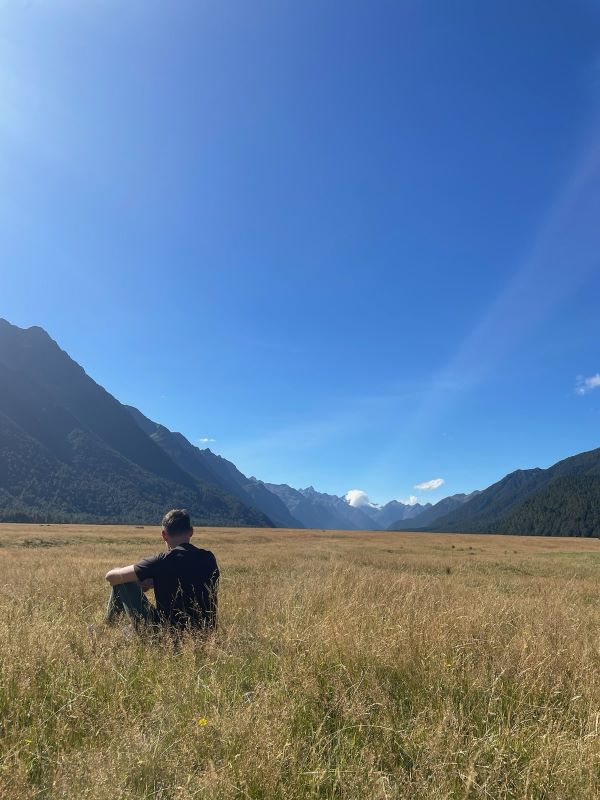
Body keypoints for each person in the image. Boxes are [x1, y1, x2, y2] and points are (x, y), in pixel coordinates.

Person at [104, 509, 219, 633]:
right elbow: (187, 579)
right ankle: (117, 630)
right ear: (191, 532)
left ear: (164, 535)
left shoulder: (161, 561)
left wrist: (129, 576)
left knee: (122, 582)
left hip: (165, 634)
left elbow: (110, 577)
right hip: (206, 633)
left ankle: (106, 629)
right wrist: (157, 581)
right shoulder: (208, 558)